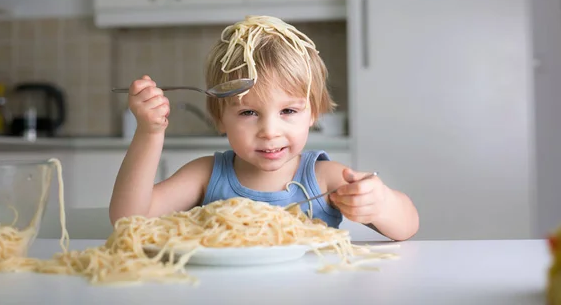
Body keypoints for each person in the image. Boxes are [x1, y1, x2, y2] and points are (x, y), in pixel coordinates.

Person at [109, 16, 419, 241]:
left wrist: (382, 204)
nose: (269, 131)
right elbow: (128, 220)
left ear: (313, 112)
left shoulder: (323, 179)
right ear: (220, 118)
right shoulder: (206, 175)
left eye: (288, 110)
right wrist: (149, 133)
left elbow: (408, 226)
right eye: (248, 112)